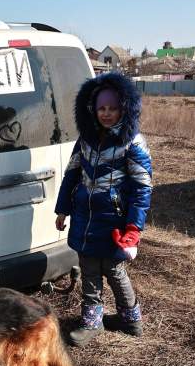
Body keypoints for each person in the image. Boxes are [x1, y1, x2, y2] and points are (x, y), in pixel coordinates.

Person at [54, 72, 152, 346]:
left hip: (115, 222)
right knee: (89, 269)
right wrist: (62, 209)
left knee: (114, 269)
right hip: (85, 218)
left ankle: (130, 318)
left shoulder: (132, 142)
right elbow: (71, 175)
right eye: (102, 108)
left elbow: (143, 188)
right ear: (93, 110)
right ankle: (91, 322)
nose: (107, 114)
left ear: (124, 108)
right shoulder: (85, 140)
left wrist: (133, 228)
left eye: (113, 108)